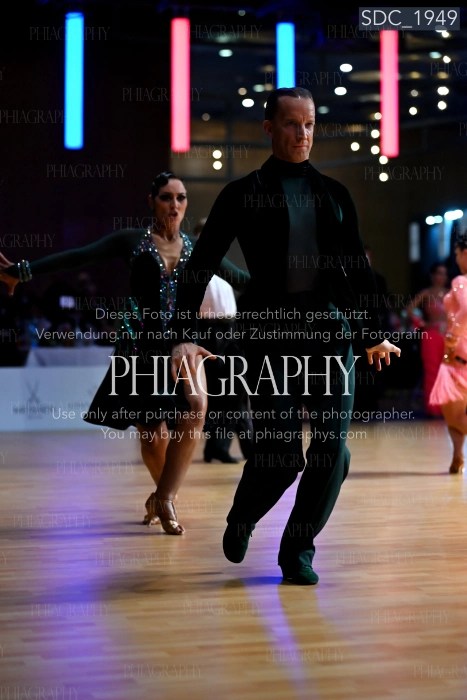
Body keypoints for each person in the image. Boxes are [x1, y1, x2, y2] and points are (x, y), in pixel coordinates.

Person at [169, 87, 401, 584]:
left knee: (332, 451)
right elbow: (200, 265)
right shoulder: (241, 194)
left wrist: (371, 334)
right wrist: (183, 334)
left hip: (330, 335)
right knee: (281, 456)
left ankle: (298, 549)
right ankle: (243, 516)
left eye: (310, 124)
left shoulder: (334, 195)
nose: (302, 134)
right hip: (269, 337)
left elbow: (358, 273)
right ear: (269, 127)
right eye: (292, 124)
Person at [0, 172, 249, 534]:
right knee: (152, 433)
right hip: (140, 347)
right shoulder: (131, 241)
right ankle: (163, 496)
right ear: (151, 201)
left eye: (181, 198)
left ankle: (164, 497)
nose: (175, 205)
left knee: (196, 406)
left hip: (183, 343)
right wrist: (23, 271)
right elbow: (78, 257)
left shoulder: (198, 247)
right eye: (166, 197)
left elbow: (243, 280)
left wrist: (301, 293)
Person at [193, 217, 253, 463]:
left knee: (234, 392)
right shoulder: (195, 263)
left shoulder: (222, 265)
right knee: (230, 392)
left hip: (230, 328)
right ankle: (246, 449)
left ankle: (218, 448)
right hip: (210, 331)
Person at [429, 233, 467, 473]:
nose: (456, 258)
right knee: (455, 410)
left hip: (458, 355)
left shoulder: (461, 281)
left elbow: (466, 310)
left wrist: (452, 337)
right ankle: (457, 456)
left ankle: (458, 456)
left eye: (457, 253)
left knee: (454, 412)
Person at [406, 262, 449, 417]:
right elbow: (409, 310)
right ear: (432, 275)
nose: (441, 277)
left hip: (449, 336)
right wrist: (422, 323)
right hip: (431, 335)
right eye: (438, 273)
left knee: (448, 371)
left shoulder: (451, 293)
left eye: (444, 274)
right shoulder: (426, 293)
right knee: (432, 370)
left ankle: (448, 407)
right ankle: (433, 407)